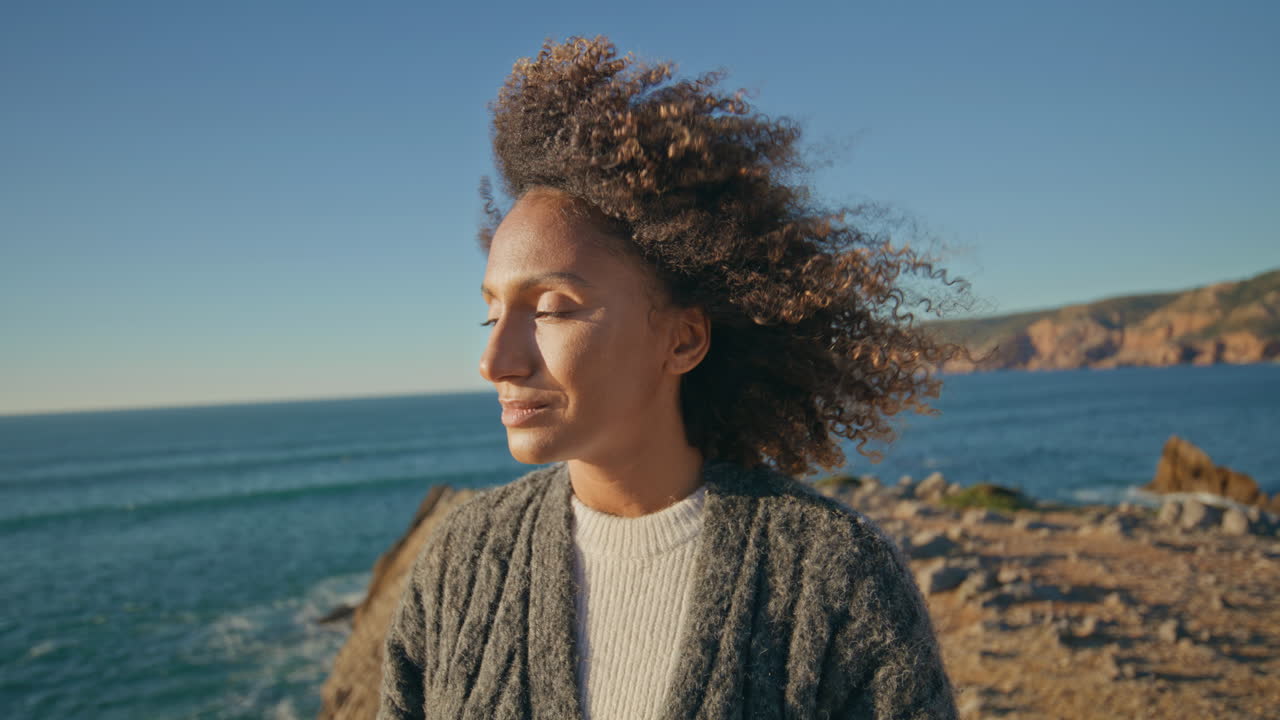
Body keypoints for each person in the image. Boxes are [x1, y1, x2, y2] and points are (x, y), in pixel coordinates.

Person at [378, 35, 966, 720]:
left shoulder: (836, 579)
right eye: (491, 313)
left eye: (551, 309)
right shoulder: (461, 562)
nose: (495, 360)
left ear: (682, 339)